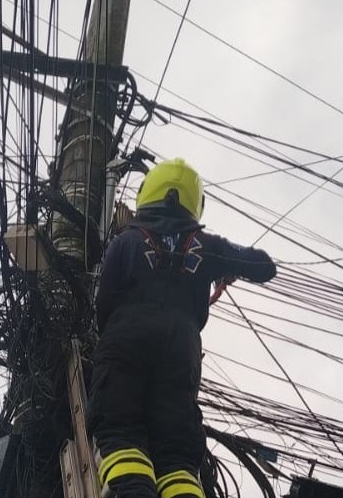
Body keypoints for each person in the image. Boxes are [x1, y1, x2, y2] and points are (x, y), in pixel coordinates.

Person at [89, 158, 276, 498]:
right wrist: (223, 265)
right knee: (176, 454)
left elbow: (104, 306)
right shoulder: (207, 246)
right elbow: (263, 266)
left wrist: (115, 346)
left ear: (147, 194)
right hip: (182, 349)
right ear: (194, 202)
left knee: (120, 431)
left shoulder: (126, 240)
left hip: (126, 335)